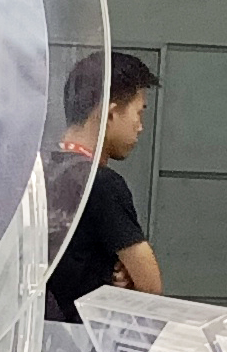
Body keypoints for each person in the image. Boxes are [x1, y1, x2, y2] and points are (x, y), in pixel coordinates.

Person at [45, 50, 160, 320]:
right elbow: (150, 285)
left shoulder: (39, 168)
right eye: (138, 113)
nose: (140, 127)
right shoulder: (102, 184)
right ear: (111, 113)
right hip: (80, 337)